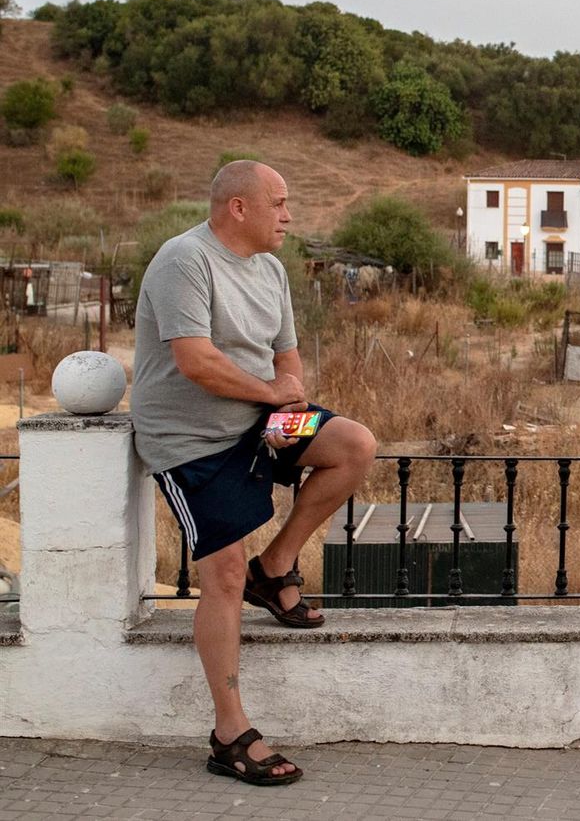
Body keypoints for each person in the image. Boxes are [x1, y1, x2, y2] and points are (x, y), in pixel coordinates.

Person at [131, 160, 378, 786]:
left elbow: (286, 354)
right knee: (221, 573)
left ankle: (275, 569)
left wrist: (288, 390)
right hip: (192, 444)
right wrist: (273, 392)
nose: (289, 216)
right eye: (279, 203)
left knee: (352, 444)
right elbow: (196, 362)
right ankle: (229, 734)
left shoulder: (270, 269)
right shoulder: (183, 260)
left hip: (258, 424)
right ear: (238, 207)